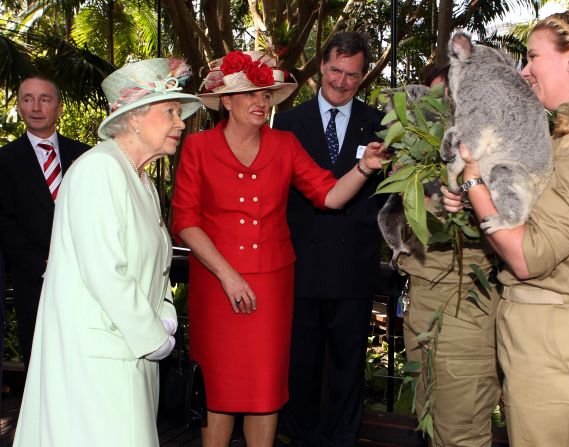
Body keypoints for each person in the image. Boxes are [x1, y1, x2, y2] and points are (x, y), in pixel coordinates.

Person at [171, 49, 386, 447]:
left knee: (265, 390)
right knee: (218, 389)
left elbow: (331, 197)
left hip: (271, 286)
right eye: (252, 94)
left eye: (266, 94)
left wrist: (364, 168)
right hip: (217, 287)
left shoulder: (284, 144)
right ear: (227, 101)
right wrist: (228, 275)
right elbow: (185, 221)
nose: (261, 102)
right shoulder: (198, 147)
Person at [442, 9, 569, 447]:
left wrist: (471, 179)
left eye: (532, 57)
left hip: (566, 348)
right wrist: (475, 197)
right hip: (553, 339)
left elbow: (528, 255)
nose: (524, 71)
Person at [12, 58, 202, 446]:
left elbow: (157, 267)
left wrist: (164, 319)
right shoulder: (99, 170)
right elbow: (106, 272)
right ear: (135, 118)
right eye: (170, 111)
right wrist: (154, 336)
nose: (180, 122)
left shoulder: (139, 177)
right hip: (97, 360)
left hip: (130, 352)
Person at [272, 31, 385, 447]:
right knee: (299, 365)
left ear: (363, 76)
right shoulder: (285, 124)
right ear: (321, 66)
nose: (341, 81)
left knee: (347, 366)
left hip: (353, 269)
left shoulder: (379, 126)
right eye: (335, 70)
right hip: (299, 268)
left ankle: (342, 440)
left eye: (352, 75)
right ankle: (299, 438)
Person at [397, 65, 501, 447]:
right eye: (435, 101)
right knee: (429, 420)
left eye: (454, 99)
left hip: (465, 303)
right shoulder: (416, 152)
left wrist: (469, 190)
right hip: (421, 297)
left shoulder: (495, 154)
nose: (444, 109)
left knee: (461, 431)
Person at [0, 76, 89, 372]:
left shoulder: (87, 156)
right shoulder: (5, 161)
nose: (36, 107)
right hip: (34, 282)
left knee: (83, 366)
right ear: (20, 106)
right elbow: (4, 224)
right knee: (42, 368)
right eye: (27, 99)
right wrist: (44, 265)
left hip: (86, 280)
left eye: (45, 99)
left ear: (59, 108)